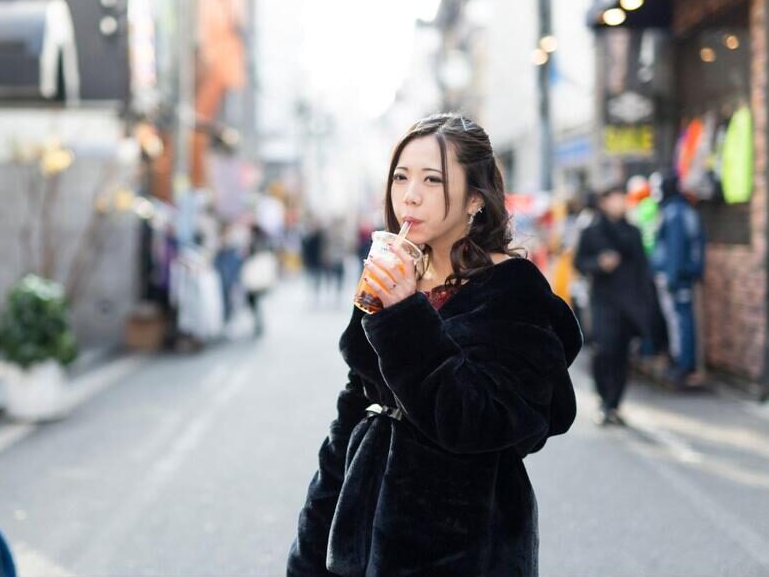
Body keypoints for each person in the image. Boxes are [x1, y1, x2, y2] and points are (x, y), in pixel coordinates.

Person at [287, 114, 581, 577]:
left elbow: (481, 420)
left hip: (464, 546)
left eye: (432, 179)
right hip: (363, 541)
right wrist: (309, 553)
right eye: (401, 177)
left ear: (476, 200)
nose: (410, 194)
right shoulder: (395, 274)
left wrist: (405, 316)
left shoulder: (511, 289)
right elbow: (351, 416)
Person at [574, 183, 656, 425]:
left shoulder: (633, 232)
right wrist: (599, 264)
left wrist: (646, 303)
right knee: (604, 350)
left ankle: (614, 404)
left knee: (622, 354)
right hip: (603, 301)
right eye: (616, 198)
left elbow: (643, 269)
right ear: (605, 201)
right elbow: (578, 263)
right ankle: (603, 399)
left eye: (623, 198)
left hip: (629, 302)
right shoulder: (592, 231)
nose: (620, 203)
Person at [651, 171, 706, 387]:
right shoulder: (685, 211)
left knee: (680, 322)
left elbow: (675, 249)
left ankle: (683, 366)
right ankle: (684, 364)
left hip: (677, 277)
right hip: (684, 275)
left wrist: (671, 277)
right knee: (682, 320)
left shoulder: (673, 213)